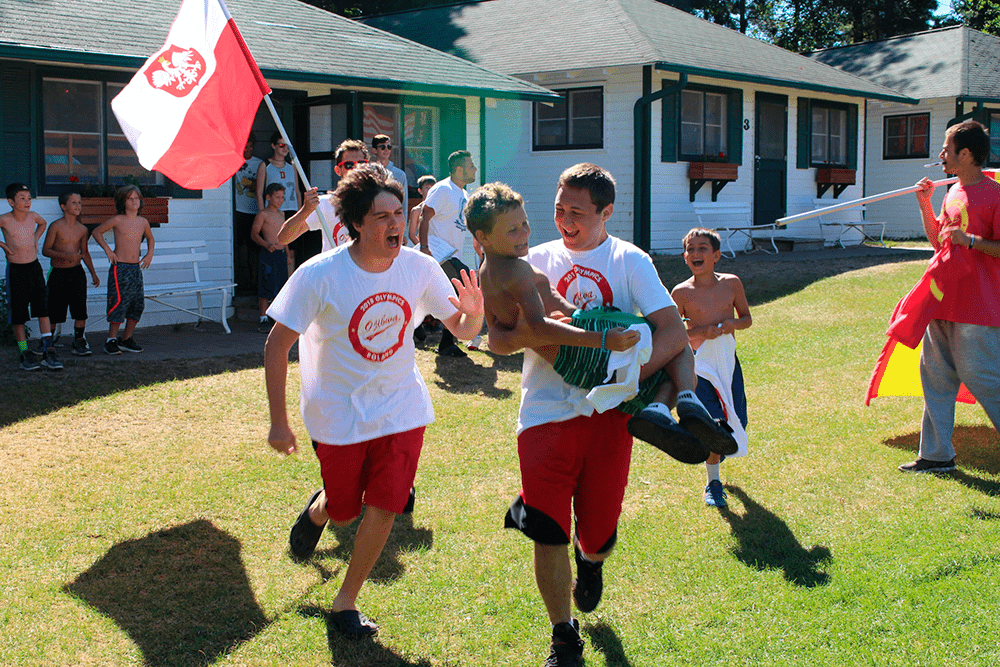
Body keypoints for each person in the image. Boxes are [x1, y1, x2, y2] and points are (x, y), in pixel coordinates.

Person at [487, 164, 734, 667]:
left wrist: (622, 379)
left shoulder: (629, 260)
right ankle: (563, 635)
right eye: (559, 209)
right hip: (545, 413)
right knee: (548, 529)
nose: (565, 220)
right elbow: (499, 340)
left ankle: (591, 559)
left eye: (577, 212)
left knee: (596, 532)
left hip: (614, 417)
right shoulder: (527, 261)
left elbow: (670, 330)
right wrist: (545, 337)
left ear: (606, 212)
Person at [264, 164, 483, 638]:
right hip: (337, 411)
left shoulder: (420, 268)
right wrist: (278, 422)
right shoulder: (320, 274)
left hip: (401, 407)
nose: (395, 224)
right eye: (382, 216)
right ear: (356, 223)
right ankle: (320, 510)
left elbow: (462, 331)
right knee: (346, 510)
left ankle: (345, 602)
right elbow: (277, 344)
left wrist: (473, 316)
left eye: (399, 213)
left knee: (385, 502)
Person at [468, 182, 720, 461]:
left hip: (570, 363)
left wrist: (520, 335)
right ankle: (682, 402)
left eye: (525, 223)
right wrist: (600, 339)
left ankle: (660, 410)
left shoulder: (486, 273)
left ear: (606, 212)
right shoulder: (517, 268)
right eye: (513, 229)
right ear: (485, 237)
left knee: (665, 350)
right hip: (583, 341)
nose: (525, 232)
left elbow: (497, 334)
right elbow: (537, 327)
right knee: (676, 343)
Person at [898, 120, 1000, 473]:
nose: (941, 155)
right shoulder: (951, 191)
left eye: (947, 148)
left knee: (984, 379)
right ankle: (937, 455)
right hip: (942, 299)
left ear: (966, 154)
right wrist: (925, 203)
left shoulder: (995, 195)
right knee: (935, 379)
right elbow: (938, 241)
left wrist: (971, 242)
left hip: (978, 306)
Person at [671, 228, 752, 507]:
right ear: (684, 257)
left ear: (716, 255)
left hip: (727, 363)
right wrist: (702, 331)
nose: (696, 253)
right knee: (714, 425)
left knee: (736, 422)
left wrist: (733, 325)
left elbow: (747, 318)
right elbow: (674, 332)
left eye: (703, 248)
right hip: (700, 366)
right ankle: (713, 484)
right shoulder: (681, 293)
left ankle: (720, 450)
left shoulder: (731, 284)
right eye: (691, 249)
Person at [419, 150, 478, 357]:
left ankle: (427, 334)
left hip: (453, 254)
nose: (475, 170)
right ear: (459, 169)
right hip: (438, 252)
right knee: (459, 293)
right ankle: (446, 343)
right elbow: (424, 217)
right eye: (471, 166)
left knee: (446, 295)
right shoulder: (443, 189)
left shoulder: (463, 194)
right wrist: (425, 248)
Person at [1, 183, 62, 370]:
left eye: (29, 198)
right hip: (16, 270)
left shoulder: (33, 217)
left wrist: (36, 238)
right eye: (22, 198)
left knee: (42, 309)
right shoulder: (5, 219)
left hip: (33, 268)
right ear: (11, 202)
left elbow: (42, 224)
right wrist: (3, 245)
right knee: (19, 314)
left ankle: (47, 350)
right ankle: (24, 352)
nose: (27, 202)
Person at [277, 139, 369, 254]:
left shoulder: (377, 202)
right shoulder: (326, 204)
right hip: (335, 271)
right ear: (338, 170)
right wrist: (305, 211)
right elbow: (283, 239)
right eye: (348, 165)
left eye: (361, 163)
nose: (356, 168)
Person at [92, 185, 154, 355]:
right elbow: (97, 232)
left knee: (137, 304)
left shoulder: (143, 222)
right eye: (130, 198)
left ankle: (126, 338)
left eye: (137, 198)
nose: (135, 201)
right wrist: (108, 250)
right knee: (119, 302)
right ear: (123, 201)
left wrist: (149, 254)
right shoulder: (118, 220)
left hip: (135, 269)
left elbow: (150, 239)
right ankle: (111, 340)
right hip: (120, 269)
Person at [42, 191, 101, 356]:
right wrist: (66, 256)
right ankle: (49, 341)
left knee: (80, 308)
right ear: (63, 206)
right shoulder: (56, 226)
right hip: (59, 273)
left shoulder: (82, 229)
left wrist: (93, 273)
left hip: (76, 273)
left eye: (80, 203)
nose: (78, 206)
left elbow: (85, 253)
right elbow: (46, 250)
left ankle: (79, 340)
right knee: (54, 308)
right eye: (74, 202)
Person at [256, 131, 303, 271]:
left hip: (291, 208)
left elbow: (297, 189)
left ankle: (290, 280)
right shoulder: (265, 165)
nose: (285, 149)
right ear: (273, 145)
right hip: (273, 211)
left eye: (287, 146)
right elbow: (259, 192)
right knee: (277, 245)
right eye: (282, 145)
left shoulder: (292, 166)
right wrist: (262, 215)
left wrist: (301, 212)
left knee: (292, 247)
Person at [251, 183, 289, 333]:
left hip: (280, 254)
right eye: (277, 197)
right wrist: (266, 244)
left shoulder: (282, 214)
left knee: (281, 284)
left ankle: (276, 316)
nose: (280, 200)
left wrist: (287, 251)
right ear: (268, 197)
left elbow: (285, 235)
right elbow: (254, 234)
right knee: (266, 284)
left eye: (282, 197)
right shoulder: (263, 214)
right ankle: (263, 318)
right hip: (268, 254)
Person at [233, 135, 263, 293]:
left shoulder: (259, 164)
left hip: (254, 211)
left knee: (254, 248)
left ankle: (254, 280)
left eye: (251, 146)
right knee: (239, 247)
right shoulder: (233, 162)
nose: (249, 150)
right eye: (246, 146)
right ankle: (240, 280)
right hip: (238, 210)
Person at [372, 134, 408, 215]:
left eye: (389, 147)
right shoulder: (369, 172)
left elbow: (404, 203)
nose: (386, 150)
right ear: (374, 150)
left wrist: (403, 226)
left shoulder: (400, 174)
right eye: (382, 147)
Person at [407, 174, 436, 246]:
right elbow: (412, 235)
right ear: (420, 191)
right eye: (427, 187)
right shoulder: (416, 210)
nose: (429, 190)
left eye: (432, 188)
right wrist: (423, 247)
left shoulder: (441, 208)